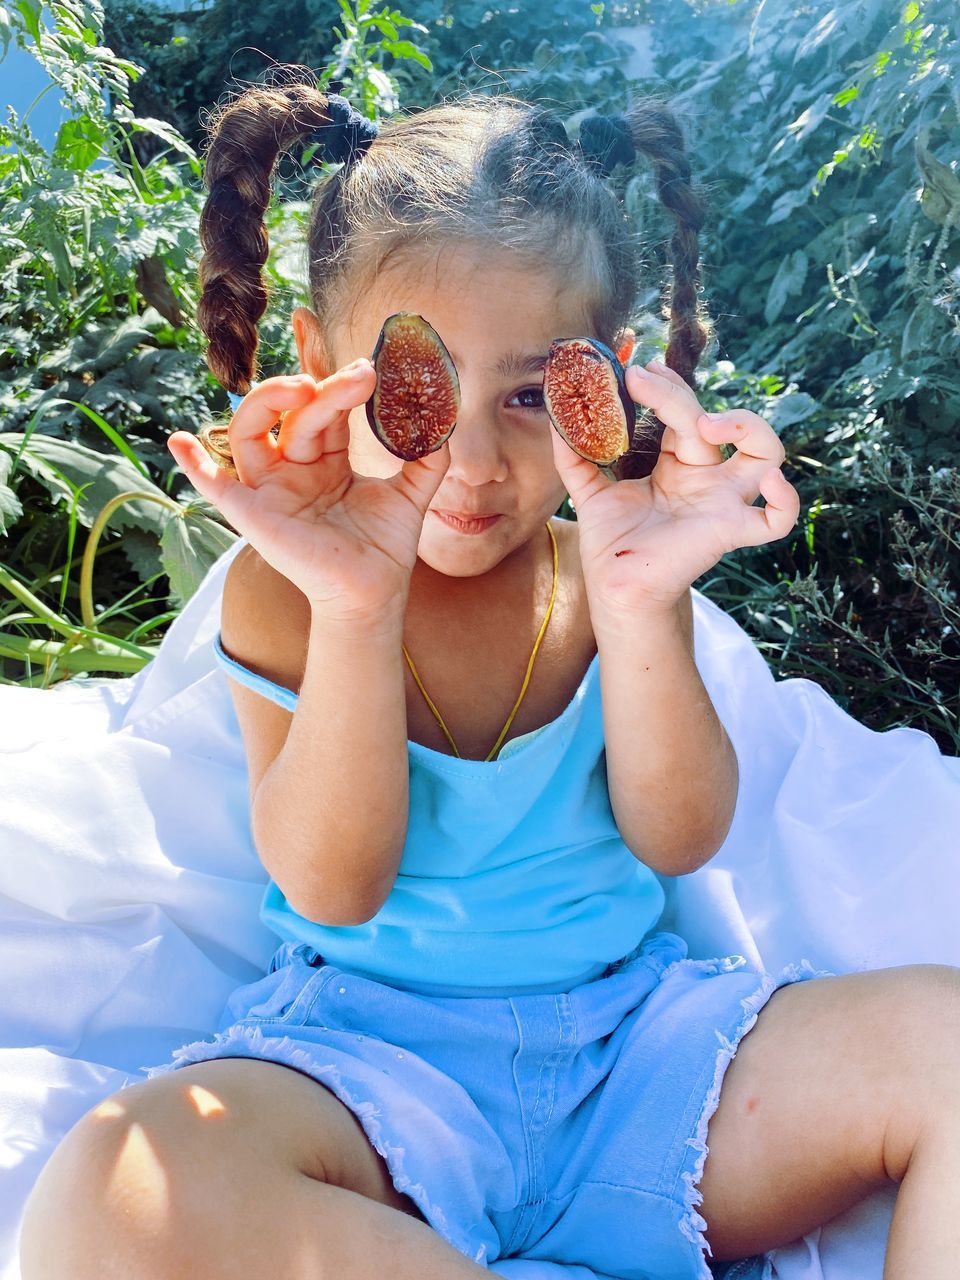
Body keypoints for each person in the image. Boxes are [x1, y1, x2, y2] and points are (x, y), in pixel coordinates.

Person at [19, 78, 960, 1280]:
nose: (469, 459)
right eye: (417, 388)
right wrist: (358, 606)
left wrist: (638, 601)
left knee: (946, 1035)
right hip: (369, 1079)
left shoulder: (606, 569)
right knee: (118, 1183)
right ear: (318, 363)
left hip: (638, 1059)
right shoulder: (289, 590)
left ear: (607, 383)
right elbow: (333, 883)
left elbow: (681, 838)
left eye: (530, 397)